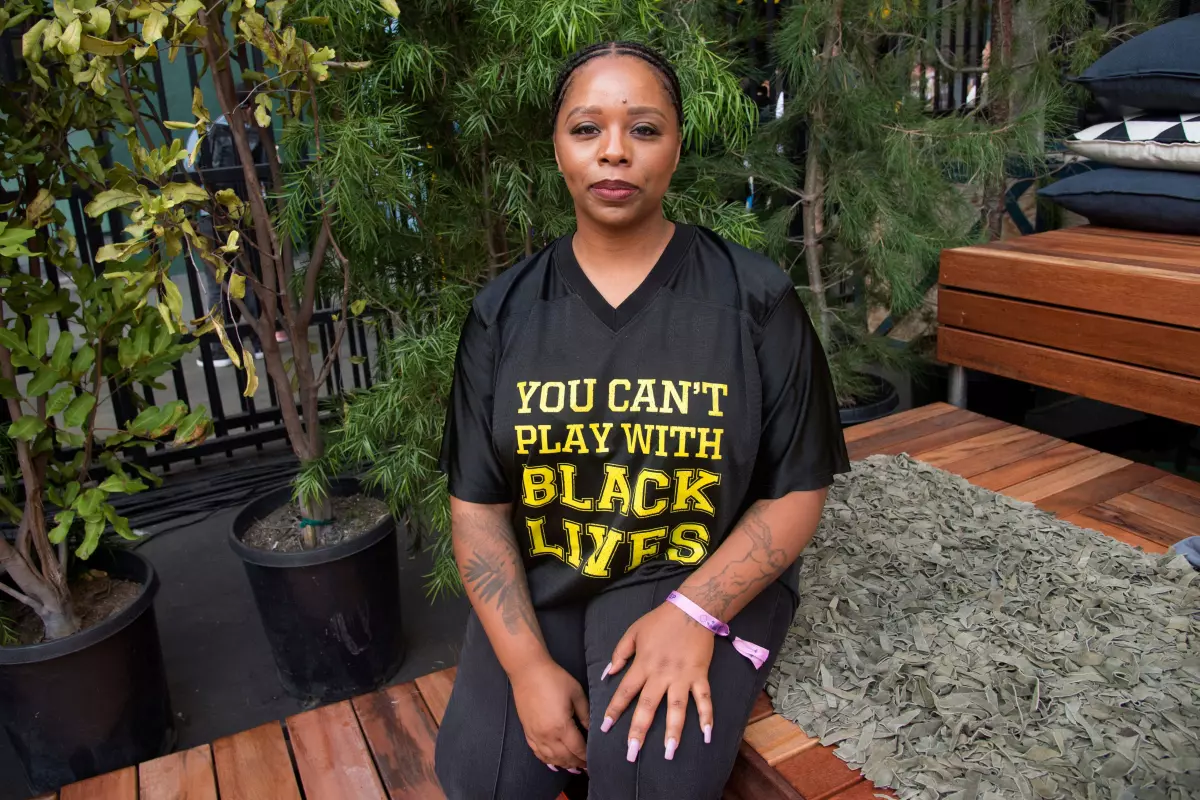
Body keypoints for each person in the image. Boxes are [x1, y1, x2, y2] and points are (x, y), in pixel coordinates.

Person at [434, 41, 849, 800]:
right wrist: (527, 669)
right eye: (587, 129)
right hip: (554, 576)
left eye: (645, 129)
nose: (615, 152)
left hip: (696, 571)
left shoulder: (754, 301)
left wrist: (694, 614)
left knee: (645, 783)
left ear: (677, 146)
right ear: (557, 148)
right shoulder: (503, 316)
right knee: (482, 781)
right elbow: (478, 507)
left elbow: (798, 491)